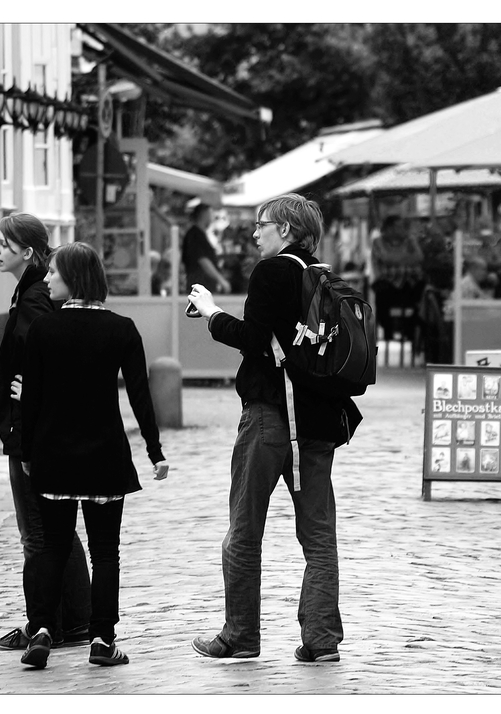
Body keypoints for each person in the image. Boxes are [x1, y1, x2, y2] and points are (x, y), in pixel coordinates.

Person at [186, 193, 363, 664]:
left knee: (244, 529)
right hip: (319, 423)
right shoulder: (323, 277)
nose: (254, 232)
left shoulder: (271, 272)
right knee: (319, 534)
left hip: (270, 416)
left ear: (284, 230)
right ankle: (322, 641)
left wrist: (210, 312)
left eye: (261, 224)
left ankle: (240, 635)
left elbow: (252, 341)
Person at [17, 241, 169, 669]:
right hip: (104, 458)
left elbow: (32, 400)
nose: (46, 279)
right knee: (105, 552)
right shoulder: (122, 329)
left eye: (53, 273)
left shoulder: (44, 330)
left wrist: (27, 452)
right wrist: (154, 451)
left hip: (54, 457)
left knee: (52, 547)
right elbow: (140, 396)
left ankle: (42, 629)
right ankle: (102, 639)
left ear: (75, 279)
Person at [0, 213, 92, 654]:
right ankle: (73, 621)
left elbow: (44, 346)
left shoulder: (33, 294)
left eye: (3, 244)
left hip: (29, 429)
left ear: (27, 252)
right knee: (56, 529)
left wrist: (27, 386)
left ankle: (46, 624)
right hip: (39, 424)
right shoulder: (35, 289)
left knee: (39, 532)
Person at [370, 215, 424, 340]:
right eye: (399, 227)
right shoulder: (378, 241)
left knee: (421, 292)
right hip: (387, 282)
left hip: (409, 281)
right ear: (389, 228)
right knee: (382, 296)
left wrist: (396, 259)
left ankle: (412, 330)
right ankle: (388, 331)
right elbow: (386, 257)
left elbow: (419, 257)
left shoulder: (409, 240)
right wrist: (407, 258)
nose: (403, 229)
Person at [182, 203, 231, 294]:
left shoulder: (200, 234)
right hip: (200, 287)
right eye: (211, 214)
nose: (212, 218)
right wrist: (221, 280)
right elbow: (203, 260)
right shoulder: (195, 235)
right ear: (204, 214)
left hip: (204, 287)